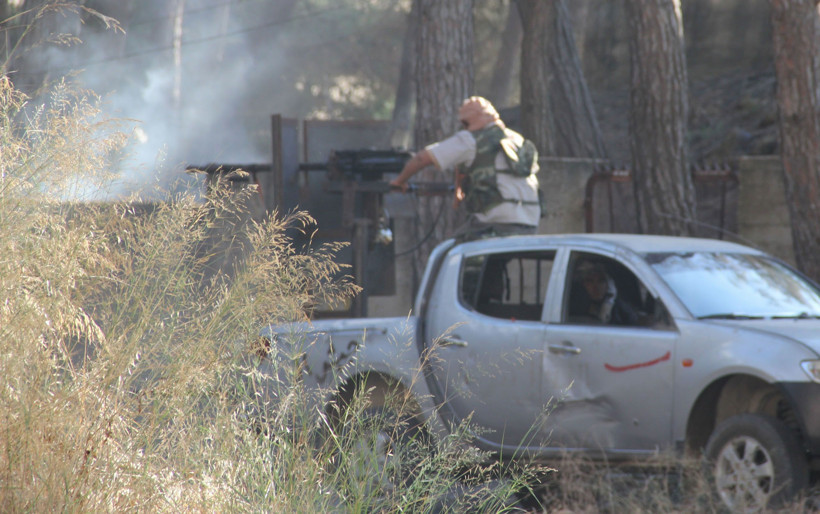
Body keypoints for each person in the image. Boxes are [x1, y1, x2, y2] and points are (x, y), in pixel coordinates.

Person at [389, 96, 541, 239]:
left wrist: (400, 181)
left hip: (497, 222)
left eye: (465, 123)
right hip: (530, 221)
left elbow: (422, 158)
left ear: (469, 121)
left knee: (453, 254)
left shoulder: (470, 140)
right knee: (491, 264)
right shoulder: (516, 139)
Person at [575, 261, 639, 326]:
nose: (596, 287)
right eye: (590, 281)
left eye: (601, 281)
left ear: (608, 285)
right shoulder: (575, 306)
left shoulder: (622, 311)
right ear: (583, 284)